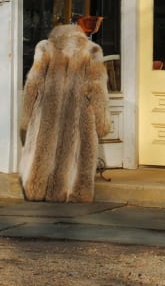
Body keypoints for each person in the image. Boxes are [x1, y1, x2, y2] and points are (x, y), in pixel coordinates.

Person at [18, 22, 111, 202]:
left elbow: (32, 85)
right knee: (79, 154)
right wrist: (102, 122)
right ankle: (76, 192)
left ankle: (37, 189)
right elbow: (97, 89)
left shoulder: (45, 48)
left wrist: (26, 117)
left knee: (43, 150)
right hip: (80, 115)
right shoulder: (92, 51)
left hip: (46, 114)